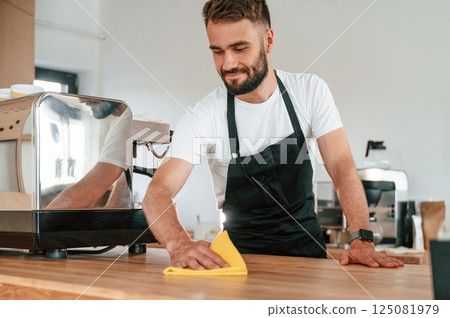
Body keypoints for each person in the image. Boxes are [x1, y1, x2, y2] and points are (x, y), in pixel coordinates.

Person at [143, 0, 404, 270]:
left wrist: (361, 238)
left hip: (309, 263)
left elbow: (341, 167)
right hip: (238, 267)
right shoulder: (205, 115)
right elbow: (158, 191)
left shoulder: (309, 91)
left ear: (268, 40)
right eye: (218, 51)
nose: (228, 63)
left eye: (239, 48)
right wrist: (179, 244)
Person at [46, 98, 132, 210]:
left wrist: (34, 224)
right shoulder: (133, 117)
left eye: (91, 95)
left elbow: (87, 193)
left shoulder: (128, 122)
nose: (82, 100)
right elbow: (119, 204)